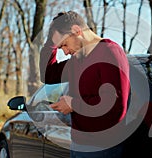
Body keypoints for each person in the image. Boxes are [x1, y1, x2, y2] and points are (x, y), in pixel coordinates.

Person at [39, 11, 130, 158]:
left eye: (64, 45)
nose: (66, 52)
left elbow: (116, 107)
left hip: (103, 149)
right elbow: (47, 74)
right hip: (78, 144)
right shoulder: (78, 59)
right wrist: (52, 40)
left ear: (76, 30)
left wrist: (73, 104)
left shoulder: (110, 53)